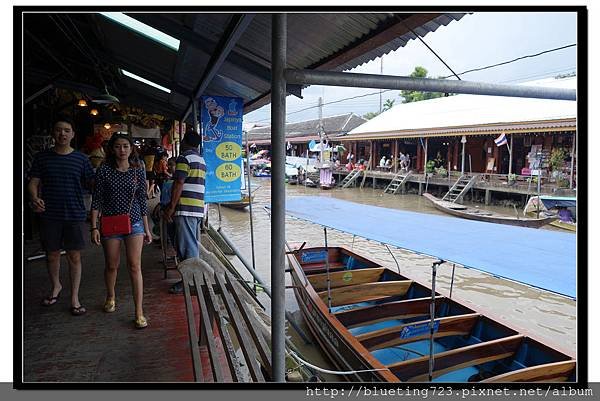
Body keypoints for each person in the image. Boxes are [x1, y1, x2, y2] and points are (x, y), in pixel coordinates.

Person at [28, 117, 95, 316]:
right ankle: (56, 286)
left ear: (73, 134)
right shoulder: (42, 157)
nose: (62, 134)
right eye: (58, 130)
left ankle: (74, 297)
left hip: (74, 213)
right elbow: (33, 182)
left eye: (66, 130)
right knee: (52, 255)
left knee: (74, 256)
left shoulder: (82, 159)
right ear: (53, 134)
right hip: (50, 214)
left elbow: (92, 183)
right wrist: (34, 197)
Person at [90, 132, 152, 329]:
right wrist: (94, 226)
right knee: (112, 265)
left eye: (126, 146)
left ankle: (139, 311)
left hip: (134, 222)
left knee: (135, 266)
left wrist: (146, 227)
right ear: (112, 149)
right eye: (118, 146)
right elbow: (97, 199)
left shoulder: (138, 169)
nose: (122, 150)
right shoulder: (104, 170)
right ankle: (110, 295)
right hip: (110, 223)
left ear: (131, 148)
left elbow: (142, 200)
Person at [164, 130, 206, 294]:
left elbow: (179, 183)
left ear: (185, 142)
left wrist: (171, 207)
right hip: (196, 208)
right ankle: (191, 278)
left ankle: (190, 281)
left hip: (186, 207)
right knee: (189, 243)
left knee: (187, 245)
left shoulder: (184, 158)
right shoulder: (201, 160)